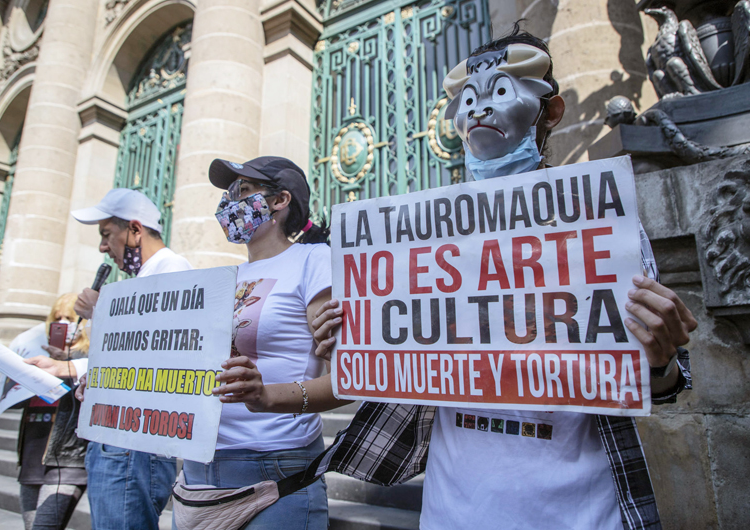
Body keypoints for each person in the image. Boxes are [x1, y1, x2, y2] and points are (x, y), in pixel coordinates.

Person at [216, 24, 699, 529]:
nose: (478, 112)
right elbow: (378, 367)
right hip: (453, 509)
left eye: (501, 92)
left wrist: (659, 356)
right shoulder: (417, 245)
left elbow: (660, 381)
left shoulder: (601, 224)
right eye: (468, 99)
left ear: (549, 112)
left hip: (581, 511)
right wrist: (352, 335)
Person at [171, 156, 335, 529]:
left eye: (243, 190)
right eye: (229, 192)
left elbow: (348, 382)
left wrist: (266, 397)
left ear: (280, 201)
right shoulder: (223, 278)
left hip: (275, 469)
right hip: (200, 471)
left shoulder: (313, 260)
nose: (230, 201)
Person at [53, 188, 191, 530]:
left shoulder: (171, 268)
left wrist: (99, 311)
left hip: (133, 444)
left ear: (134, 229)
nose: (103, 247)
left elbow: (158, 348)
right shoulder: (146, 275)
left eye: (106, 235)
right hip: (118, 436)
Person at [17, 293, 89, 530]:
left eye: (69, 318)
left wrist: (67, 364)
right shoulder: (39, 357)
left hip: (66, 458)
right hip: (32, 454)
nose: (63, 324)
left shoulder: (88, 360)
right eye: (57, 318)